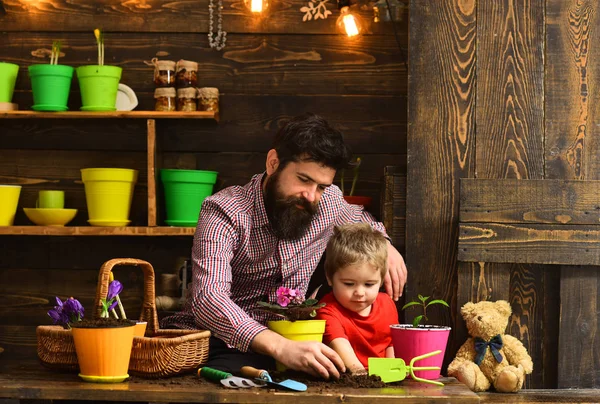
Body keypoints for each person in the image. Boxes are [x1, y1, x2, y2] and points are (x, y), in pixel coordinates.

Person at [161, 113, 407, 380]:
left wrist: (384, 243)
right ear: (273, 163)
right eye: (303, 180)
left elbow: (360, 218)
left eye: (321, 186)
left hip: (298, 339)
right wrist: (280, 347)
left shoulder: (328, 201)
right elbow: (209, 299)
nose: (312, 196)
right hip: (224, 342)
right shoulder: (224, 212)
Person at [316, 223, 398, 375]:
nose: (359, 292)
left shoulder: (387, 304)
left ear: (381, 279)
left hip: (385, 380)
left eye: (369, 284)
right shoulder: (327, 311)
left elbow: (390, 345)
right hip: (350, 381)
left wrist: (394, 373)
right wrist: (360, 373)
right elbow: (342, 349)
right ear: (329, 277)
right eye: (349, 284)